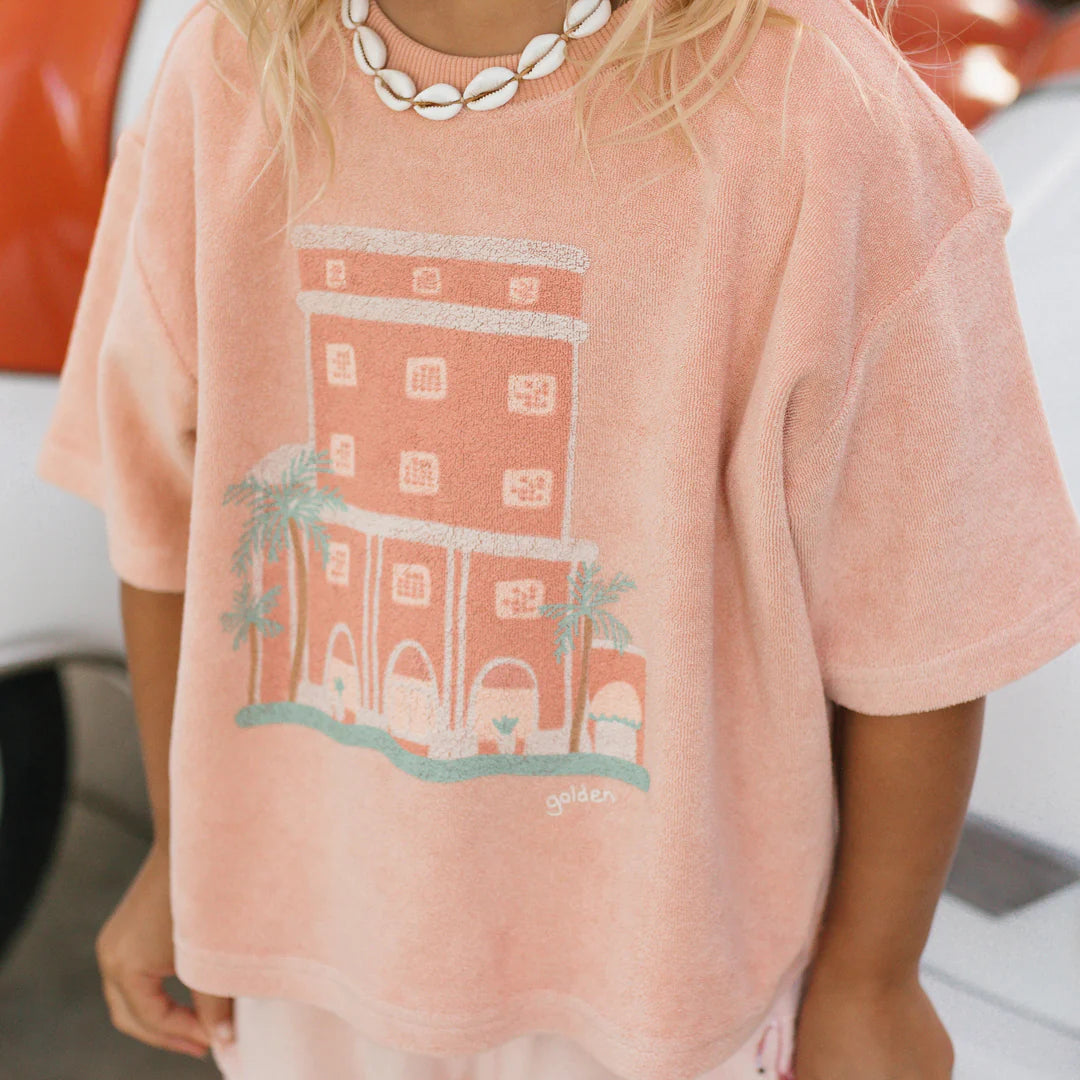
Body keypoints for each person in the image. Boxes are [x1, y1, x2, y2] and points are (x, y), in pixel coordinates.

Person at [35, 0, 1080, 1075]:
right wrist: (185, 852)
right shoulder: (229, 71)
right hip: (304, 955)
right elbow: (165, 515)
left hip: (660, 992)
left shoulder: (814, 113)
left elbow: (920, 616)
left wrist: (872, 975)